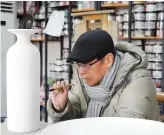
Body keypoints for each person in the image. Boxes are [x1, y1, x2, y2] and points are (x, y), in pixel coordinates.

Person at [47, 30, 160, 123]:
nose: (81, 72)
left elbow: (127, 128)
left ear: (108, 60)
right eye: (78, 64)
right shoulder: (85, 78)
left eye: (86, 64)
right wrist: (62, 108)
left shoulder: (138, 82)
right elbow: (73, 118)